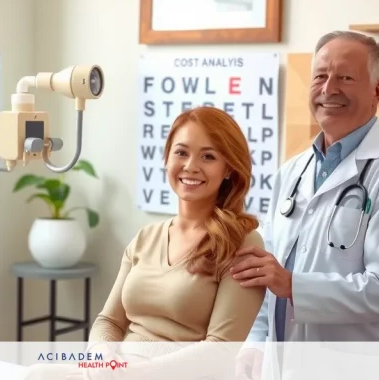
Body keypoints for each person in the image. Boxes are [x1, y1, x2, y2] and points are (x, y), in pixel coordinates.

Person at [231, 31, 379, 378]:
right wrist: (255, 340)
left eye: (345, 77)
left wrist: (292, 285)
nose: (329, 89)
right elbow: (270, 271)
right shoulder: (291, 173)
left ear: (378, 89)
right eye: (320, 76)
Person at [89, 106, 266, 345]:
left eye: (208, 156)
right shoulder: (145, 237)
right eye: (181, 152)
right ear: (167, 158)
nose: (191, 166)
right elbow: (108, 322)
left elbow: (220, 349)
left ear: (228, 169)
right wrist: (104, 360)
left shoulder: (242, 243)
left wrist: (135, 371)